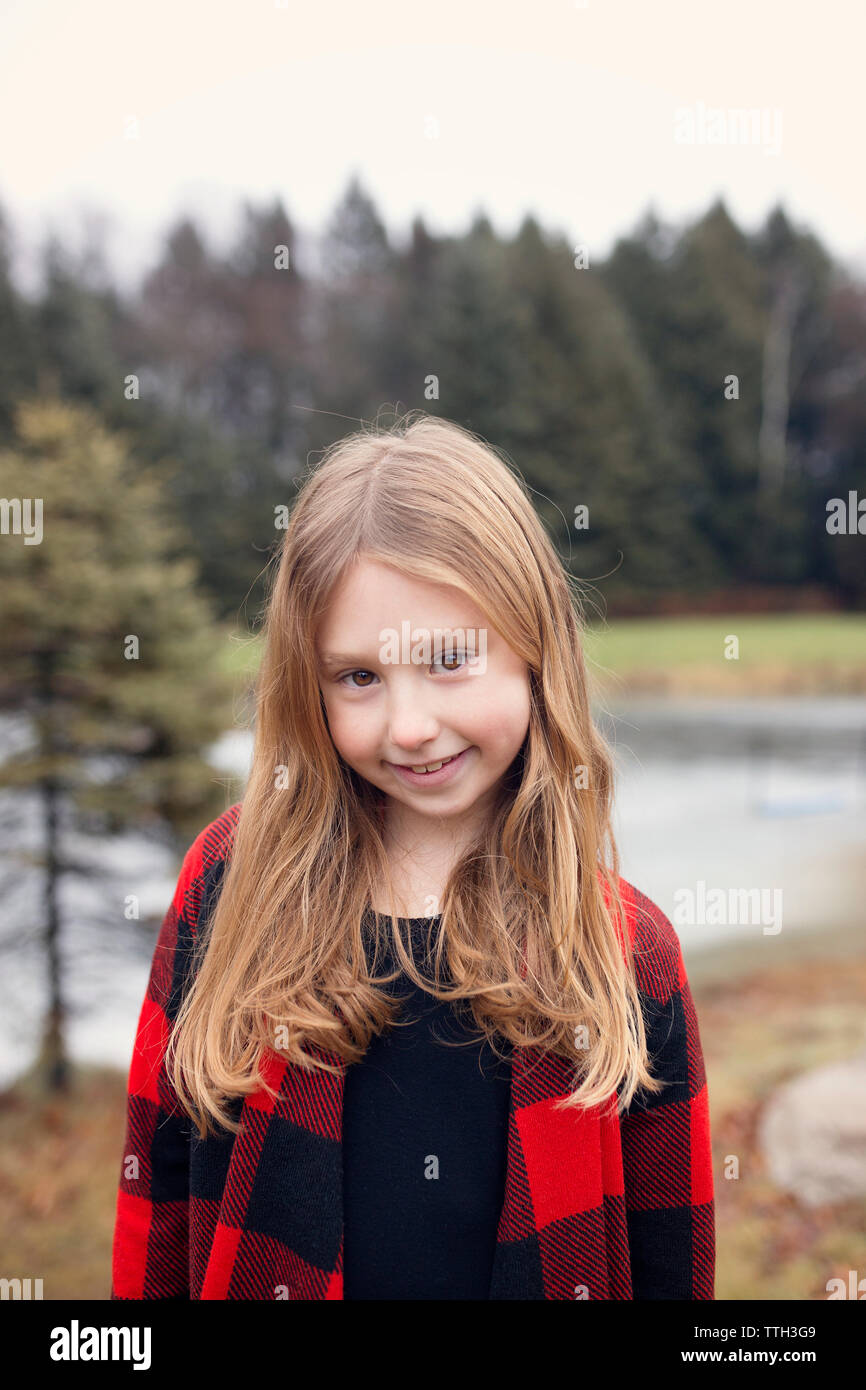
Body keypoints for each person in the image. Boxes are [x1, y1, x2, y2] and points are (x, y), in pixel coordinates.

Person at [110, 411, 715, 1301]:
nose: (409, 727)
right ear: (305, 681)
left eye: (447, 662)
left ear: (534, 650)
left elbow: (676, 1262)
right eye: (358, 676)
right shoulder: (231, 884)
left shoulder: (624, 949)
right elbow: (154, 1204)